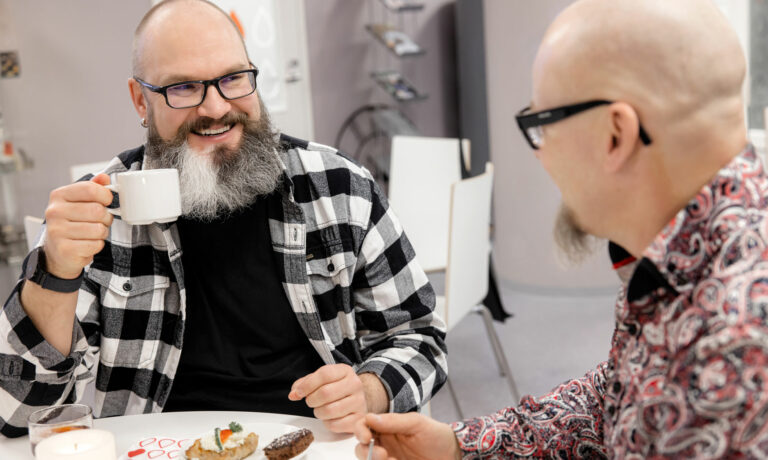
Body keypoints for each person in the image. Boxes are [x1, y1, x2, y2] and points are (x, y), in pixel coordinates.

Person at [0, 0, 447, 438]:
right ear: (141, 100)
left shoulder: (340, 187)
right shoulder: (97, 210)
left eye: (233, 78)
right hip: (157, 450)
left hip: (311, 446)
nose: (215, 108)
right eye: (184, 87)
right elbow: (16, 413)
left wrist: (367, 391)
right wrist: (54, 274)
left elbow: (420, 336)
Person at [354, 0, 768, 458]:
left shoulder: (735, 347)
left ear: (616, 135)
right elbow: (618, 396)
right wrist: (462, 446)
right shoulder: (683, 255)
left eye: (540, 124)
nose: (539, 152)